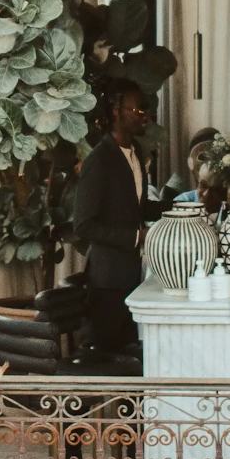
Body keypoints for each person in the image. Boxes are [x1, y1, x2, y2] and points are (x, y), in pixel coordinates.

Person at [68, 83, 160, 368]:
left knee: (129, 358)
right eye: (137, 110)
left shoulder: (135, 153)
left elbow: (136, 207)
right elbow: (83, 224)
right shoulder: (100, 159)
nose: (144, 116)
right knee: (109, 361)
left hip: (131, 276)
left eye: (145, 110)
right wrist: (135, 237)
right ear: (116, 112)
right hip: (107, 281)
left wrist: (181, 209)